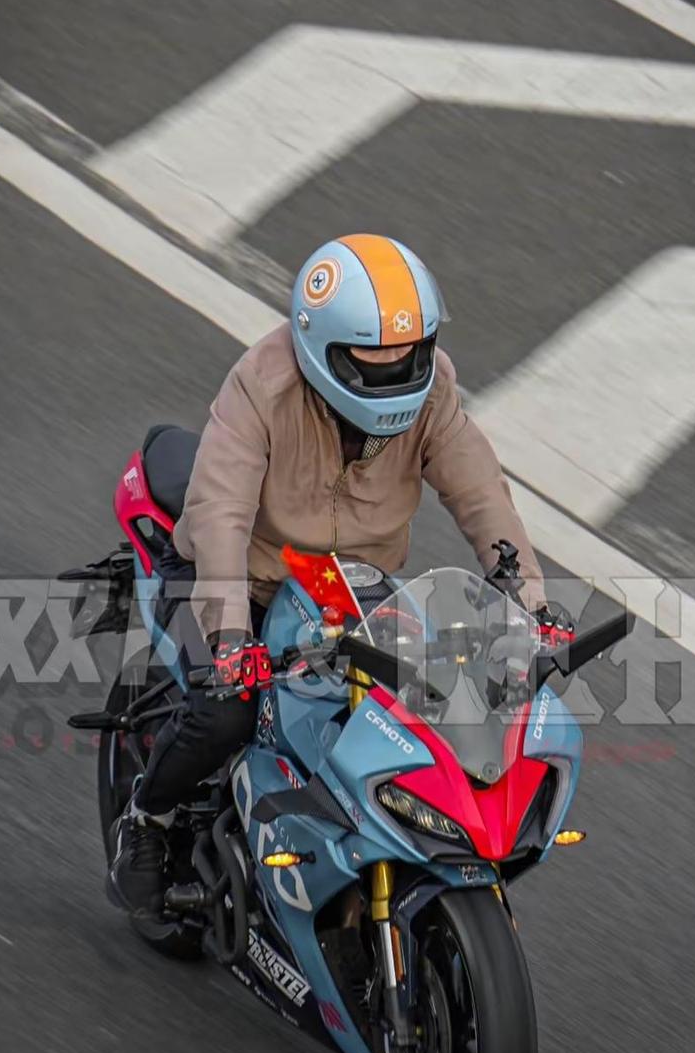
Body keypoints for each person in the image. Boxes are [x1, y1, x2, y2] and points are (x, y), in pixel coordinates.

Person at [109, 233, 551, 917]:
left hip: (341, 587)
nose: (394, 372)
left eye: (407, 355)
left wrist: (530, 604)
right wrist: (229, 638)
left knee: (418, 708)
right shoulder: (263, 385)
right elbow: (221, 514)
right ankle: (146, 820)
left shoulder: (433, 391)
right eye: (371, 361)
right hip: (229, 576)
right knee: (226, 712)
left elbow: (481, 493)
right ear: (321, 348)